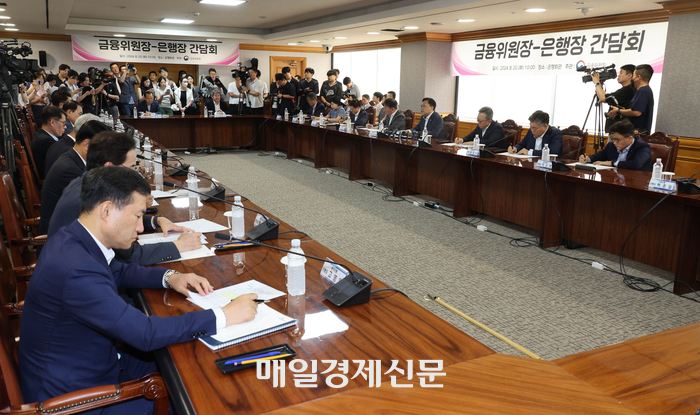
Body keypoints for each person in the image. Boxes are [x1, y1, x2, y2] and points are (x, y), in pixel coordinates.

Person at [20, 165, 260, 414]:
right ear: (106, 210)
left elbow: (118, 271)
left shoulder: (74, 238)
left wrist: (171, 277)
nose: (140, 228)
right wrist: (224, 315)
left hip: (93, 362)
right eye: (137, 216)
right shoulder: (77, 269)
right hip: (75, 398)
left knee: (196, 365)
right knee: (198, 396)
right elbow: (145, 333)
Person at [48, 131, 202, 265]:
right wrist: (178, 246)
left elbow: (120, 219)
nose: (134, 174)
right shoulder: (91, 200)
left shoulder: (85, 182)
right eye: (131, 168)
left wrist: (156, 221)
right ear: (109, 167)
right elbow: (129, 256)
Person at [39, 120, 112, 237]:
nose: (107, 155)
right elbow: (93, 209)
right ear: (87, 145)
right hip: (59, 238)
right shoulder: (70, 170)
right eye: (104, 149)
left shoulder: (71, 159)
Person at [579, 119, 652, 171]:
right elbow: (596, 157)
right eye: (613, 139)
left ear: (629, 138)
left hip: (636, 183)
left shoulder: (642, 147)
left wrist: (612, 163)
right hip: (614, 181)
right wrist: (587, 159)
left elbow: (636, 164)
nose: (614, 142)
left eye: (617, 140)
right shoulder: (611, 145)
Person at [608, 64, 654, 135]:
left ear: (638, 77)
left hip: (636, 134)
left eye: (634, 76)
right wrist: (624, 110)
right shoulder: (644, 90)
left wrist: (619, 111)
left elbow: (636, 112)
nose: (632, 78)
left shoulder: (643, 91)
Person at [592, 64, 636, 131]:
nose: (619, 75)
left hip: (619, 130)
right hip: (619, 129)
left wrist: (597, 83)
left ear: (629, 76)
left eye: (621, 73)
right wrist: (599, 85)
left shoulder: (627, 90)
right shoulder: (630, 89)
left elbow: (603, 98)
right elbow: (607, 97)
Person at [31, 106, 67, 180]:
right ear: (52, 122)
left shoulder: (41, 134)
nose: (65, 127)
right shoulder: (46, 142)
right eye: (63, 123)